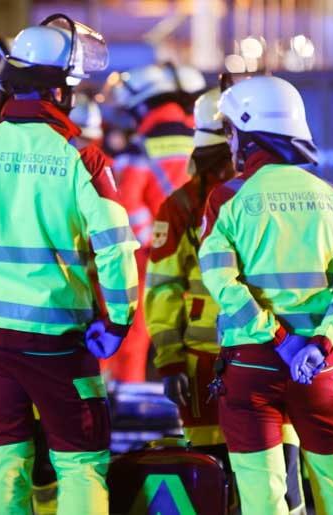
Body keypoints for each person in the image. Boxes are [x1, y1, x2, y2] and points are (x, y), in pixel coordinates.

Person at [0, 15, 138, 514]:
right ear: (59, 91)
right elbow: (116, 248)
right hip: (56, 338)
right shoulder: (81, 158)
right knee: (80, 460)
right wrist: (118, 320)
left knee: (3, 459)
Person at [199, 75, 333, 514]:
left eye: (233, 133)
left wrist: (280, 340)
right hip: (317, 371)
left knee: (263, 497)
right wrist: (320, 342)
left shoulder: (227, 199)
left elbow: (222, 282)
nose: (231, 143)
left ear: (250, 133)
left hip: (251, 366)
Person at [145, 87, 304, 513]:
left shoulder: (183, 204)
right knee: (276, 479)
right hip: (265, 354)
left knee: (218, 479)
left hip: (211, 362)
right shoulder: (267, 194)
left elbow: (162, 290)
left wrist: (170, 359)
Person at [100, 63, 205, 383]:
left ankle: (127, 400)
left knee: (135, 331)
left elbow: (128, 205)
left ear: (144, 106)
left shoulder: (139, 147)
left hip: (152, 258)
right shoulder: (203, 143)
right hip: (200, 254)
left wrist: (154, 243)